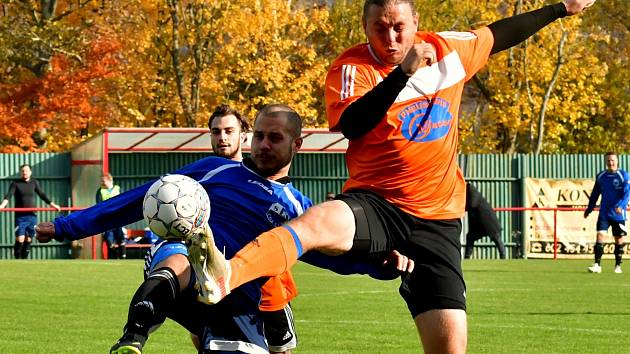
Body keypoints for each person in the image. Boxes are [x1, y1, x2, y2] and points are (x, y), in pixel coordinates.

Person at [187, 1, 597, 353]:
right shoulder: (352, 67)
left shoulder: (449, 51)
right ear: (366, 28)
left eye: (399, 26)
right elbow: (353, 122)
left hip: (438, 219)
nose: (391, 37)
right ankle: (226, 276)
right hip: (376, 202)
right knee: (315, 223)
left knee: (450, 347)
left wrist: (562, 8)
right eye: (379, 28)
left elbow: (498, 34)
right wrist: (401, 73)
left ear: (416, 23)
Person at [36, 104, 407, 354]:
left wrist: (380, 265)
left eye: (274, 139)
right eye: (258, 135)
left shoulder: (298, 208)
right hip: (193, 272)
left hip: (241, 297)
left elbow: (332, 257)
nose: (262, 145)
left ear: (297, 144)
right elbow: (138, 199)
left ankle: (277, 314)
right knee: (175, 255)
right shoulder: (216, 170)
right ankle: (133, 338)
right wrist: (69, 226)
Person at [208, 104, 300, 354]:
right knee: (204, 338)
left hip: (269, 292)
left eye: (228, 130)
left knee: (280, 349)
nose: (222, 137)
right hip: (217, 283)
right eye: (216, 132)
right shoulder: (206, 176)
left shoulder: (275, 185)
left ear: (243, 135)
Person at [0, 163, 61, 259]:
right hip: (20, 216)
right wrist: (2, 206)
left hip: (32, 216)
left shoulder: (34, 182)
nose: (25, 172)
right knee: (20, 239)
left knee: (28, 239)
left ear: (30, 172)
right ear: (20, 172)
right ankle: (16, 260)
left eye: (26, 171)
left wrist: (53, 205)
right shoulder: (15, 183)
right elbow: (8, 195)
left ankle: (24, 261)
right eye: (23, 171)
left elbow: (42, 195)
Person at [584, 152, 630, 274]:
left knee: (618, 239)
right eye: (608, 160)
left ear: (617, 161)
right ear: (606, 162)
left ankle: (618, 265)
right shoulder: (601, 176)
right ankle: (597, 265)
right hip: (604, 213)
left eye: (613, 160)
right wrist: (589, 208)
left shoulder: (623, 175)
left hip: (618, 214)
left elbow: (627, 194)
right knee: (600, 236)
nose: (611, 163)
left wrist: (621, 206)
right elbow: (595, 194)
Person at [464, 182, 506, 259]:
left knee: (496, 237)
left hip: (487, 221)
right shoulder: (469, 192)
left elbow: (473, 204)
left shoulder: (472, 191)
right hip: (479, 223)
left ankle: (503, 256)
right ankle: (467, 257)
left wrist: (462, 206)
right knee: (470, 237)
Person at [96, 173, 127, 259]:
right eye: (101, 181)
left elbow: (124, 202)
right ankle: (114, 258)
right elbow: (98, 206)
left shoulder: (119, 189)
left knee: (121, 238)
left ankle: (123, 258)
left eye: (103, 181)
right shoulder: (100, 191)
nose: (102, 182)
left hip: (119, 219)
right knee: (109, 240)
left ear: (110, 180)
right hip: (107, 219)